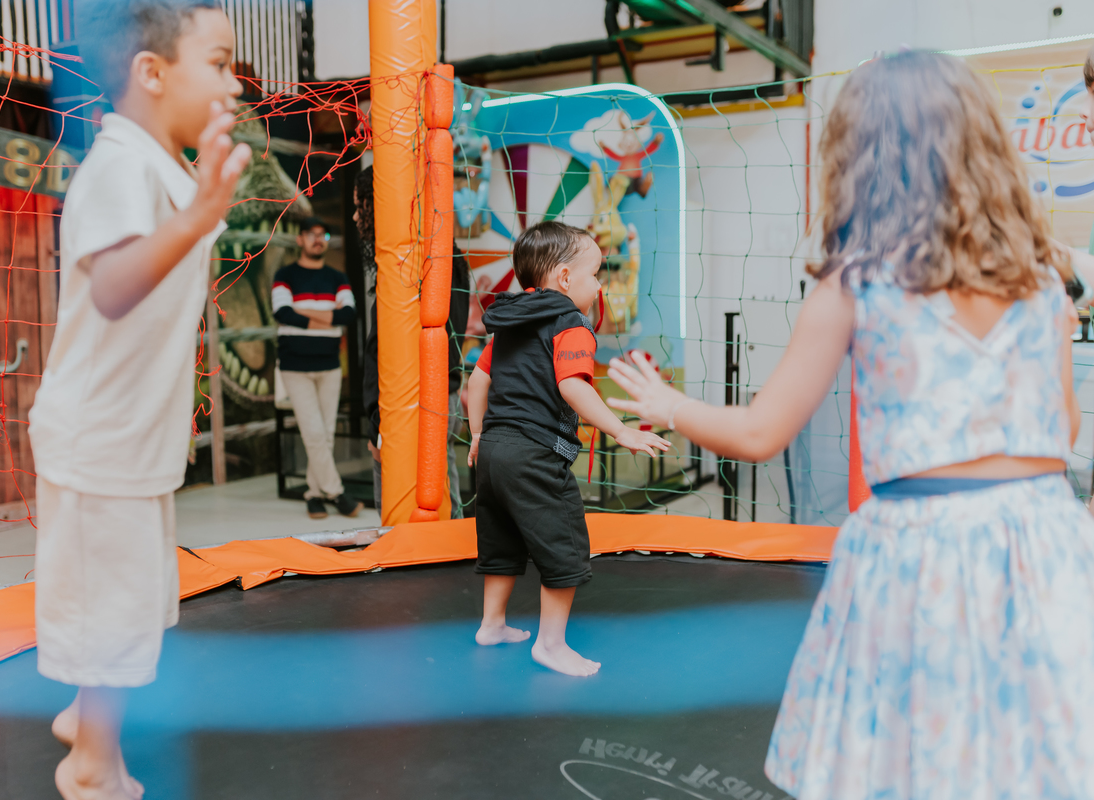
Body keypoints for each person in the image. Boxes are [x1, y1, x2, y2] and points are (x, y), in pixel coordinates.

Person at [607, 51, 1094, 799]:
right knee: (1024, 758)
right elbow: (1059, 430)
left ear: (861, 157)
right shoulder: (1043, 282)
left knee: (911, 764)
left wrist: (672, 407)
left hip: (919, 554)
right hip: (1039, 545)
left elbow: (762, 432)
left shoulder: (859, 280)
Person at [26, 2, 250, 798]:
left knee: (132, 603)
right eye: (219, 62)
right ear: (152, 74)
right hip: (99, 441)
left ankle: (83, 717)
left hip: (133, 439)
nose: (233, 82)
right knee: (111, 612)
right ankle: (91, 766)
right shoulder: (120, 163)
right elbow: (116, 287)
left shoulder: (162, 167)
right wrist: (197, 218)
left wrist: (198, 207)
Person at [466, 221, 669, 677]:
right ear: (563, 279)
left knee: (501, 540)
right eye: (595, 274)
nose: (599, 286)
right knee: (565, 545)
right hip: (534, 454)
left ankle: (491, 624)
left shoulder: (509, 323)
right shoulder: (569, 323)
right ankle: (551, 645)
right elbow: (572, 387)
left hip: (494, 451)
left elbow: (477, 383)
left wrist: (479, 435)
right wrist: (622, 431)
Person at [358, 166, 469, 517]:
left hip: (415, 400)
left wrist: (379, 420)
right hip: (432, 395)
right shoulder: (439, 254)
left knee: (419, 499)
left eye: (361, 206)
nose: (356, 215)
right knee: (440, 491)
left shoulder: (416, 264)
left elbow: (394, 352)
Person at [272, 216, 360, 519]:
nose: (318, 239)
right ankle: (336, 493)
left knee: (326, 432)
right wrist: (325, 317)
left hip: (330, 365)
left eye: (323, 234)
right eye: (311, 234)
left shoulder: (338, 278)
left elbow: (347, 315)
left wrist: (303, 312)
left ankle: (313, 494)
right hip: (295, 366)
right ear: (300, 239)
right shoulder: (285, 276)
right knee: (313, 432)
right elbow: (282, 312)